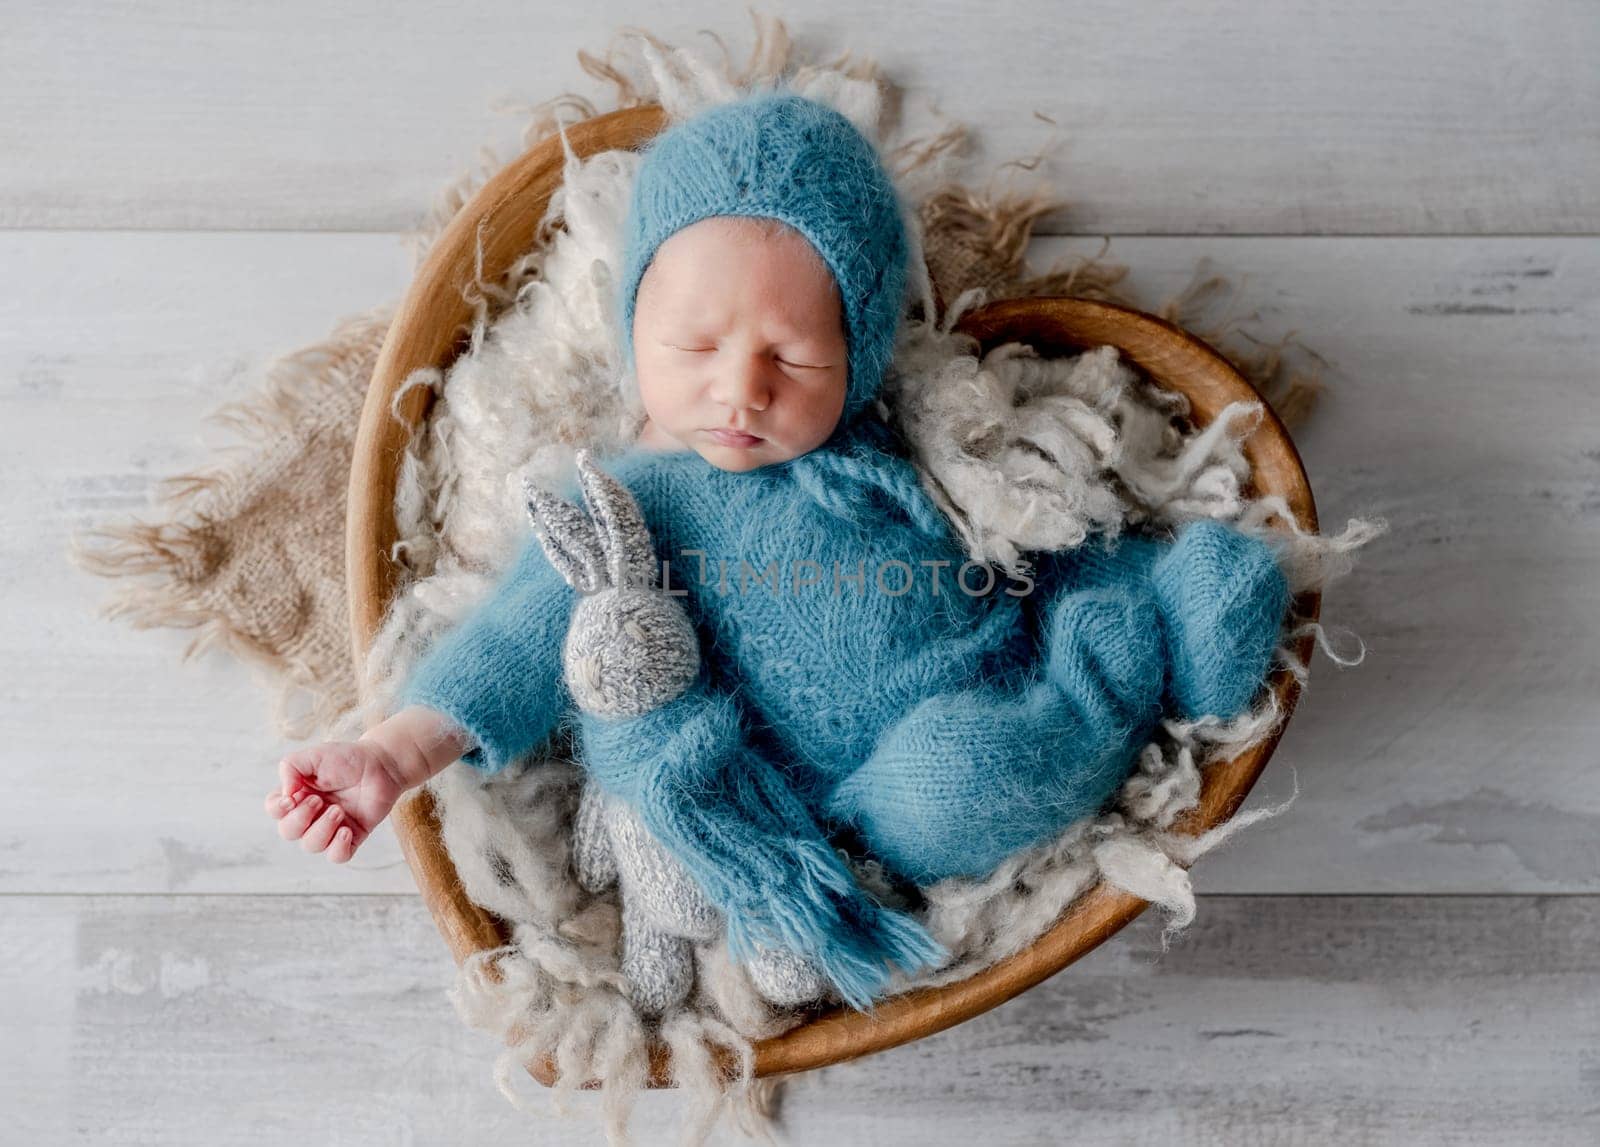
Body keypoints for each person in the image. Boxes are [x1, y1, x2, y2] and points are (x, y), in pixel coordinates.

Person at [265, 88, 1291, 1011]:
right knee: (954, 784)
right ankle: (1117, 666)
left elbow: (1015, 485)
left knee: (1061, 596)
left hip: (994, 627)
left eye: (794, 355)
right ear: (633, 332)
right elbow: (517, 641)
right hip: (834, 797)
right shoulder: (632, 500)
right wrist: (392, 753)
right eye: (698, 347)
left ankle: (1135, 602)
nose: (742, 389)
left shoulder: (903, 425)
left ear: (864, 351)